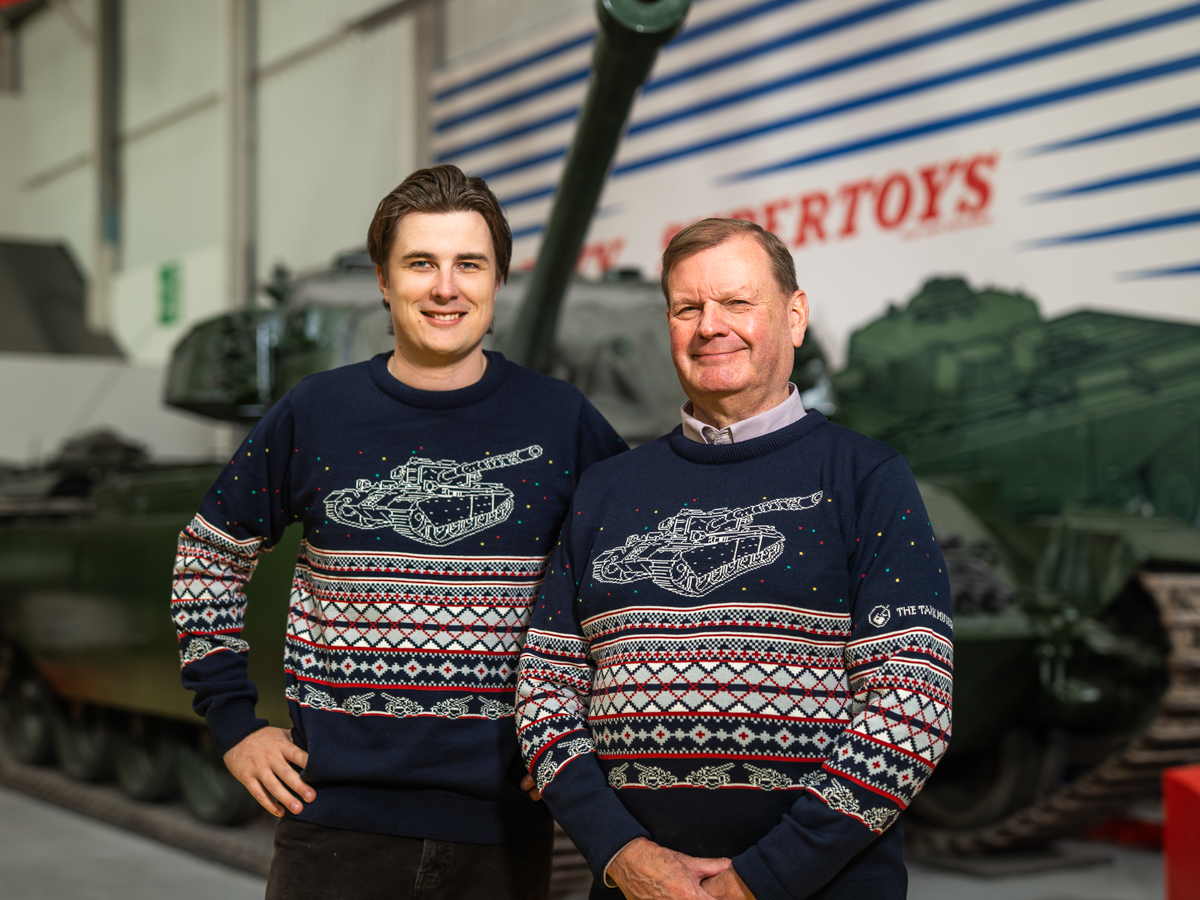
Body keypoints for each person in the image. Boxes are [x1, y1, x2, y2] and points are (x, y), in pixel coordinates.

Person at [171, 164, 626, 900]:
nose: (446, 287)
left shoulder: (562, 422)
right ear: (384, 280)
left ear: (496, 280)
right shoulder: (318, 412)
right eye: (422, 263)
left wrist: (581, 740)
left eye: (468, 264)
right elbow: (208, 554)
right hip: (333, 825)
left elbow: (629, 590)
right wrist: (232, 720)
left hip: (504, 827)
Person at [516, 218, 953, 899]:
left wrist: (761, 879)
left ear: (795, 315)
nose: (709, 326)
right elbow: (544, 695)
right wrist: (622, 852)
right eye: (688, 308)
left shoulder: (865, 477)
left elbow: (912, 705)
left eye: (737, 303)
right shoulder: (607, 488)